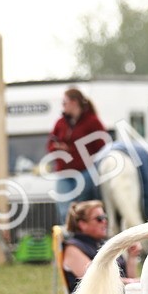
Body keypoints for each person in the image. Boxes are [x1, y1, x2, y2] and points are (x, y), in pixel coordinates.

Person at [48, 88, 108, 223]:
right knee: (65, 211)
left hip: (85, 172)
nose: (63, 106)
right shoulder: (60, 123)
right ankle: (69, 234)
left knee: (83, 208)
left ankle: (87, 232)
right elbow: (50, 144)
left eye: (64, 102)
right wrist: (58, 147)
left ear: (74, 102)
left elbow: (103, 148)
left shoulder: (92, 122)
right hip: (64, 173)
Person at [61, 200, 139, 294]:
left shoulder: (103, 243)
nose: (104, 221)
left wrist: (132, 257)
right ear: (82, 224)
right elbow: (97, 280)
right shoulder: (73, 249)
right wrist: (133, 283)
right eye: (99, 219)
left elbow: (129, 280)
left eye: (105, 217)